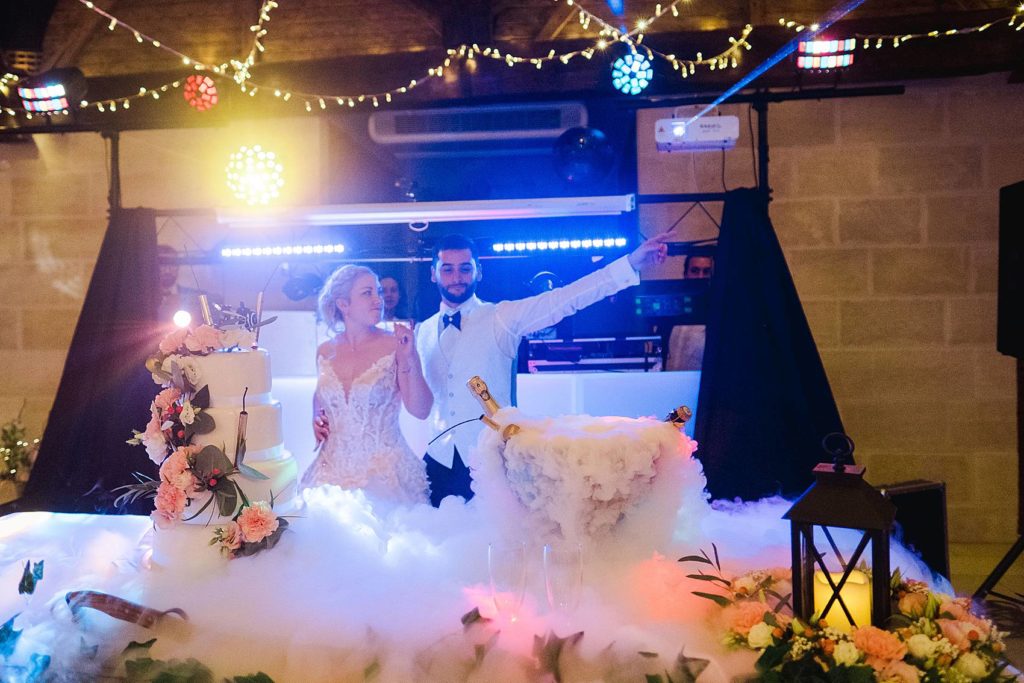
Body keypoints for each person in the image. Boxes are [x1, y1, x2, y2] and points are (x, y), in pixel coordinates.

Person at [415, 231, 671, 507]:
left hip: (491, 458)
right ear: (433, 274)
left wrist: (630, 263)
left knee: (494, 544)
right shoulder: (422, 331)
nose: (457, 277)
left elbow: (565, 299)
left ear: (479, 271)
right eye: (448, 269)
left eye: (465, 268)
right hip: (437, 460)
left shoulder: (501, 317)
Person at [301, 265, 433, 505]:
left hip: (385, 476)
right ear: (343, 304)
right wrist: (315, 415)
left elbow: (421, 410)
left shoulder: (396, 344)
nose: (378, 300)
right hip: (331, 474)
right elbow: (322, 393)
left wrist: (409, 356)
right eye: (367, 293)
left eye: (379, 292)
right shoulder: (325, 351)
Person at [666, 253, 715, 371]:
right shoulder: (673, 309)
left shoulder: (720, 314)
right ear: (685, 274)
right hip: (671, 385)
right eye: (695, 271)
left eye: (706, 271)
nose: (700, 277)